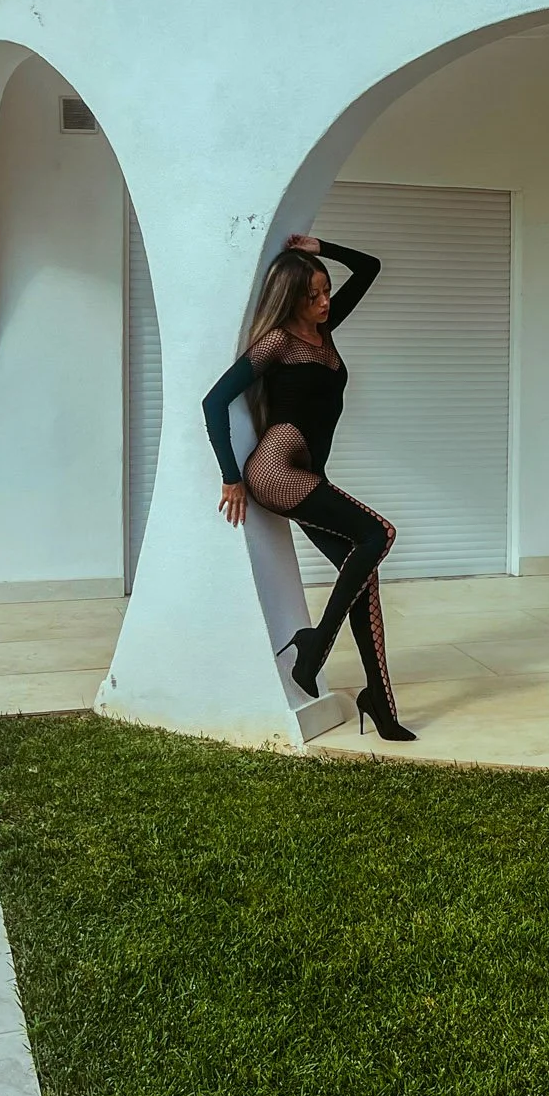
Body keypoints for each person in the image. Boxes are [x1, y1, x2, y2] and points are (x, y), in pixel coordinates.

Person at [201, 234, 415, 741]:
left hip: (307, 474)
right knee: (378, 534)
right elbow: (213, 403)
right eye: (313, 296)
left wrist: (320, 247)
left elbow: (370, 266)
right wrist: (232, 476)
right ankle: (315, 644)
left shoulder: (324, 332)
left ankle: (379, 702)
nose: (323, 303)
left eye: (325, 293)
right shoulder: (278, 342)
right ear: (291, 299)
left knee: (362, 574)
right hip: (275, 471)